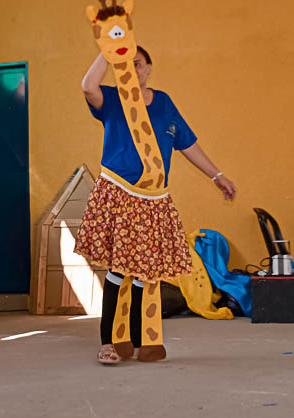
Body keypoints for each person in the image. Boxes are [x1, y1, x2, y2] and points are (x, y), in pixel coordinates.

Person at [78, 39, 236, 365]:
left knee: (145, 272)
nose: (131, 68)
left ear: (148, 68)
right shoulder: (111, 99)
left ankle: (137, 341)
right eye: (124, 64)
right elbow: (88, 85)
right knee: (120, 268)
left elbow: (187, 144)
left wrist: (217, 175)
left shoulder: (164, 103)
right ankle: (109, 342)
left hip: (154, 200)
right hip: (120, 194)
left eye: (136, 63)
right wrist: (108, 53)